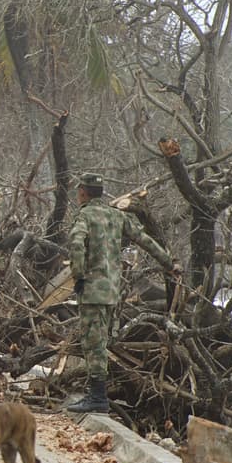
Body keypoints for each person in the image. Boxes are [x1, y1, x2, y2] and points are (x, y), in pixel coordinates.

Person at [67, 172, 182, 414]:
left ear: (83, 192)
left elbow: (76, 243)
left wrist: (78, 276)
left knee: (93, 343)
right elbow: (143, 239)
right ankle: (97, 393)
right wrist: (168, 263)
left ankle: (97, 397)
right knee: (102, 341)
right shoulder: (117, 215)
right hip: (113, 290)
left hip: (92, 290)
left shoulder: (85, 215)